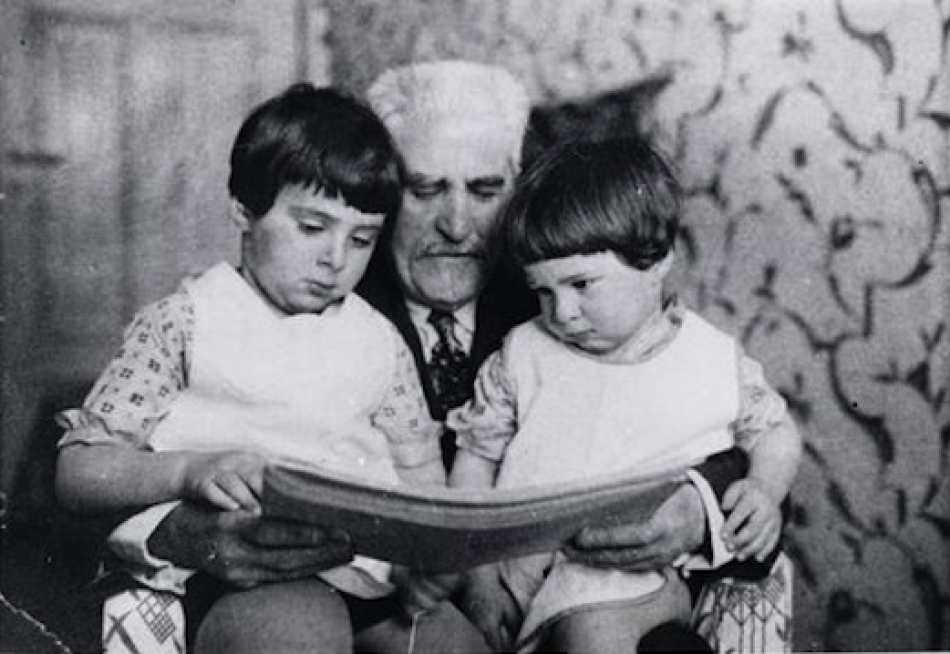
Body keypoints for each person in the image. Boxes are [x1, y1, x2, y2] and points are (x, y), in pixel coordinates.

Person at [80, 60, 756, 653]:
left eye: (485, 191)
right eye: (426, 190)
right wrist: (185, 532)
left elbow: (707, 417)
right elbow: (77, 480)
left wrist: (698, 508)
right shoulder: (299, 302)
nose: (457, 225)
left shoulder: (567, 309)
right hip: (289, 601)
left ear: (517, 188)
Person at [55, 83, 486, 653]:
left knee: (457, 645)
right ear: (243, 209)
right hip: (233, 574)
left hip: (363, 573)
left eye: (362, 239)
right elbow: (78, 473)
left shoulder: (379, 341)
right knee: (298, 633)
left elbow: (421, 475)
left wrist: (426, 554)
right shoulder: (184, 322)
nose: (335, 260)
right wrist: (185, 472)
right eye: (312, 228)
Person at [409, 137, 803, 652]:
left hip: (632, 580)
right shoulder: (522, 354)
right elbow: (475, 465)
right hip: (519, 581)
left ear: (656, 261)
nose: (562, 313)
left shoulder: (708, 356)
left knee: (592, 636)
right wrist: (479, 580)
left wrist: (764, 488)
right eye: (543, 291)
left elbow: (775, 431)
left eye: (581, 285)